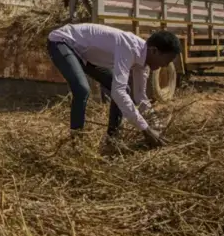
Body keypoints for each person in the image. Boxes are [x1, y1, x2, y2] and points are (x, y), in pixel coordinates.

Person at [47, 23, 181, 148]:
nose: (164, 65)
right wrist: (145, 129)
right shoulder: (129, 48)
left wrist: (157, 126)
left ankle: (112, 139)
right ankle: (77, 142)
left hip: (84, 54)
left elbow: (140, 96)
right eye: (167, 60)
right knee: (82, 90)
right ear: (154, 51)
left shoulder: (143, 63)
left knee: (125, 90)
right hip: (63, 41)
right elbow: (118, 92)